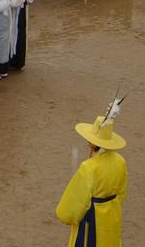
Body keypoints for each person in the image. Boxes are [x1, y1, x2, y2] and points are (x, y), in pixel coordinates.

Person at [56, 98, 128, 247]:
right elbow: (122, 192)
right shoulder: (120, 161)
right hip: (112, 214)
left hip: (92, 219)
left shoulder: (89, 167)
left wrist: (66, 215)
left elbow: (75, 201)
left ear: (91, 143)